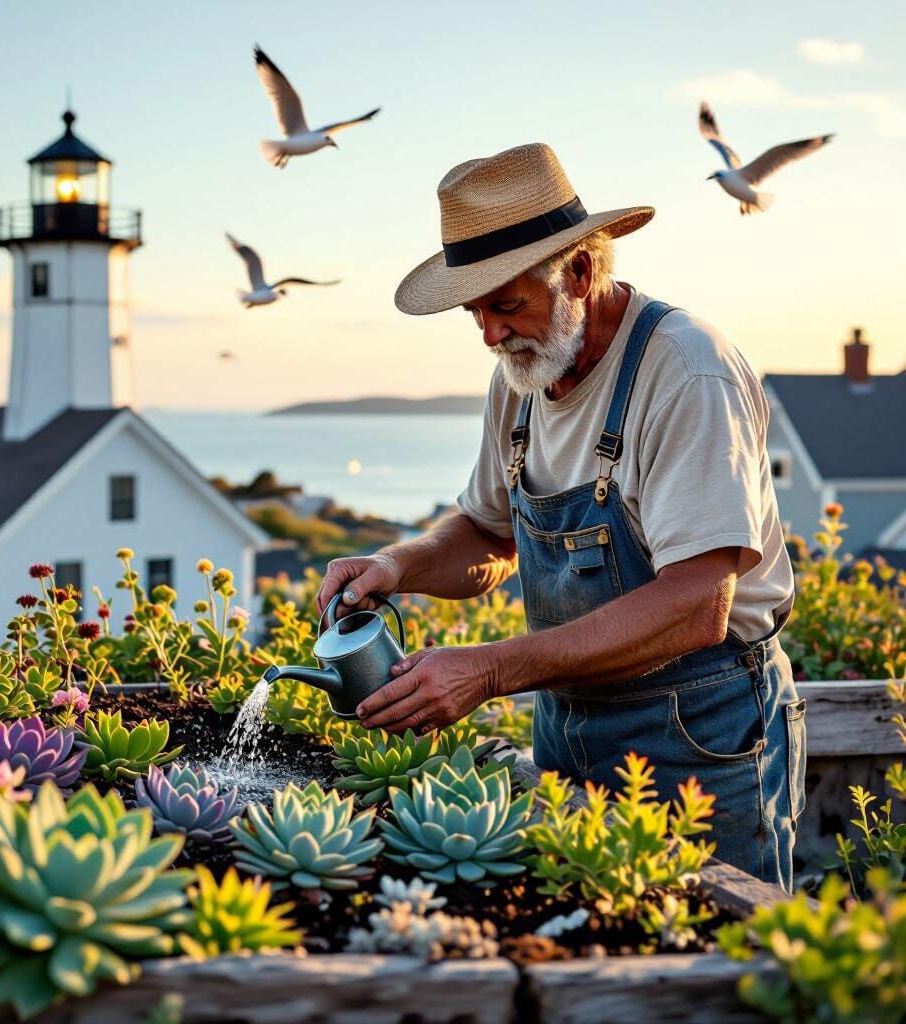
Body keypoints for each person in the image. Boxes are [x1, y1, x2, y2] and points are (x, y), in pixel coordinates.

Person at [316, 142, 804, 888]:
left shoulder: (686, 371)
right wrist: (396, 565)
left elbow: (697, 605)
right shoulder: (522, 374)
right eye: (476, 312)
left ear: (579, 270)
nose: (490, 334)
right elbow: (488, 536)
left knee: (714, 947)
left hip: (701, 733)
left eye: (507, 305)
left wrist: (489, 670)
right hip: (564, 722)